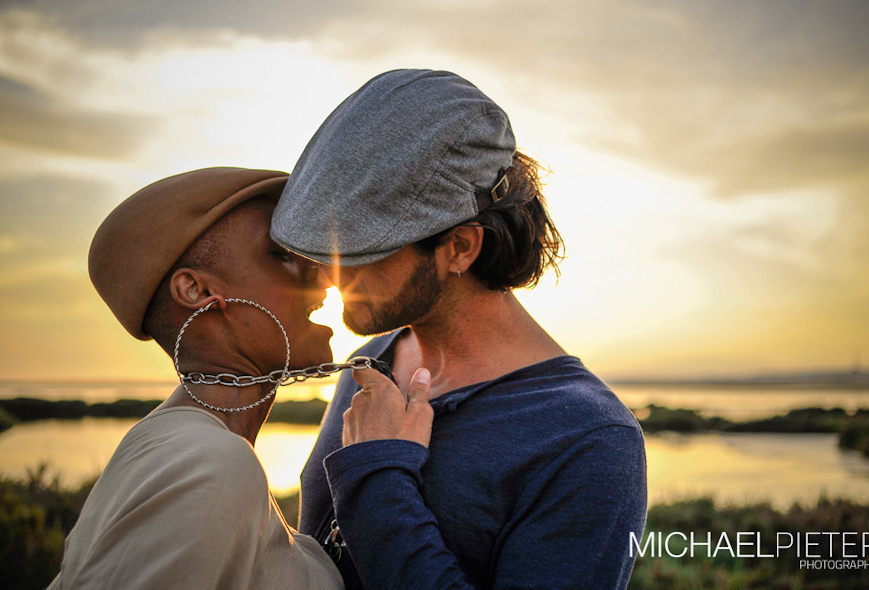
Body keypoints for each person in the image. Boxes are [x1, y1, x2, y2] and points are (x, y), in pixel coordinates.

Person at [272, 69, 648, 589]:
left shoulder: (587, 440)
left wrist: (376, 474)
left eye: (365, 253)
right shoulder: (371, 362)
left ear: (460, 248)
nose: (333, 274)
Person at [49, 168, 345, 589]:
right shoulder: (209, 462)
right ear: (197, 291)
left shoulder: (181, 448)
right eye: (282, 255)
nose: (325, 277)